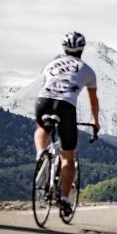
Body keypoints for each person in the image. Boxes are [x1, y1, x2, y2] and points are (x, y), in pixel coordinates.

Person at [34, 31, 100, 216]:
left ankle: (40, 154)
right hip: (65, 107)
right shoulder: (87, 70)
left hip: (43, 102)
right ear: (82, 49)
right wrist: (95, 121)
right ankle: (64, 198)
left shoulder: (51, 64)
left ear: (64, 48)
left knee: (42, 127)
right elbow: (94, 101)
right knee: (68, 157)